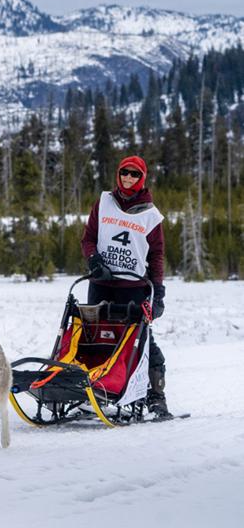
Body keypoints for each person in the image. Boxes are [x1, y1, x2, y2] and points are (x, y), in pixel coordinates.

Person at [80, 155, 171, 419]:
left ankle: (156, 396)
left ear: (142, 179)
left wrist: (158, 292)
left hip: (133, 286)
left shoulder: (151, 216)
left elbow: (156, 255)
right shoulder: (104, 202)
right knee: (92, 336)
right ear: (118, 174)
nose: (128, 178)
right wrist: (94, 259)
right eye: (124, 173)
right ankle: (91, 388)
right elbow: (88, 239)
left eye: (134, 174)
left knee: (140, 341)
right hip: (101, 282)